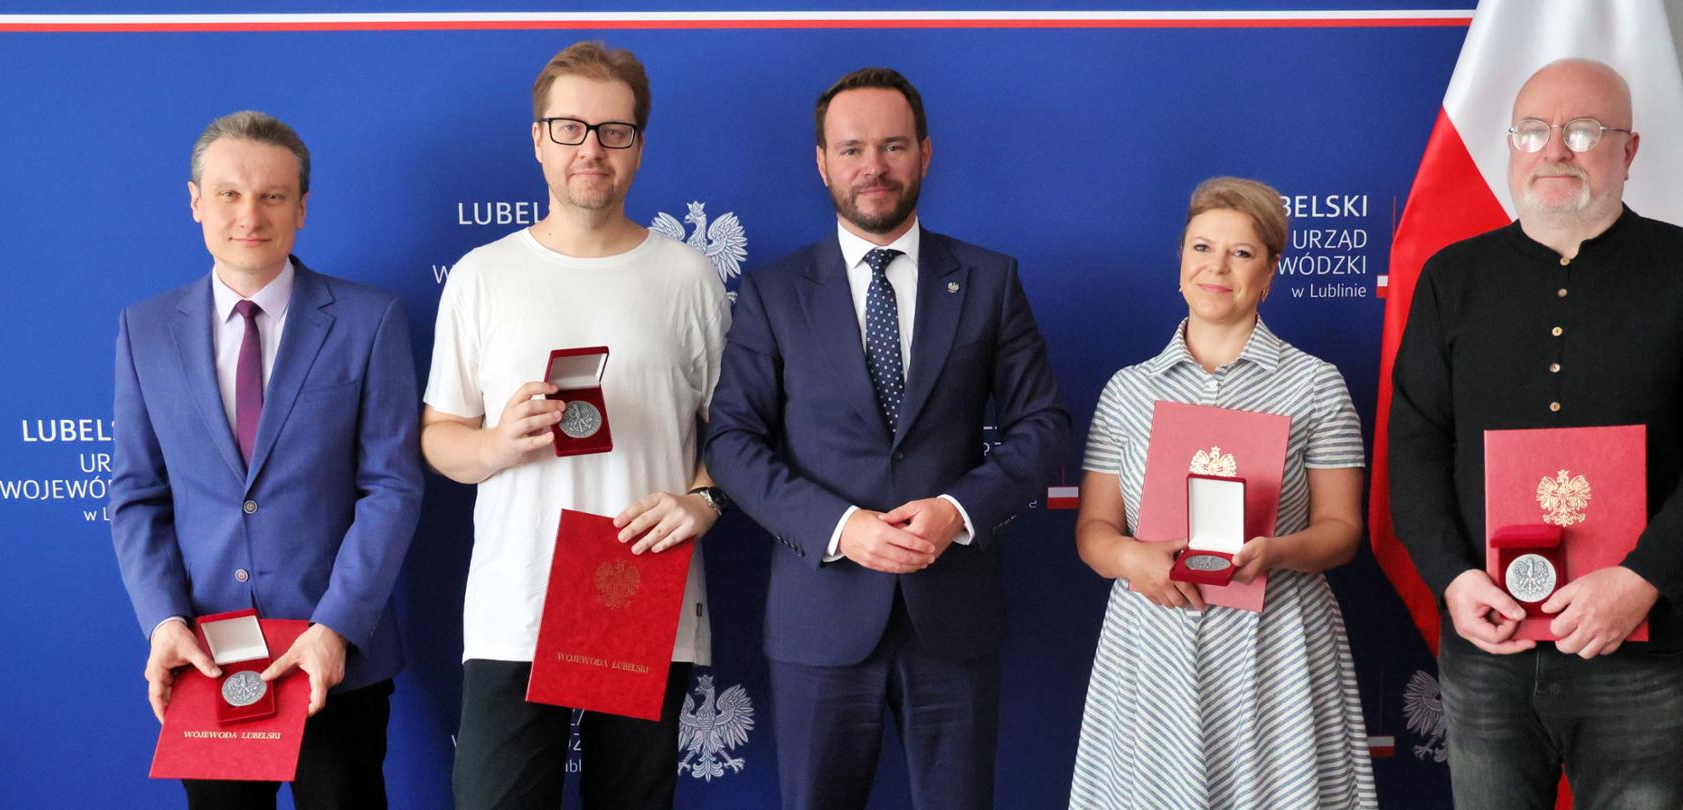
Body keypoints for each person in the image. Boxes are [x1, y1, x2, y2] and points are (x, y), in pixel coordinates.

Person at [1388, 58, 1683, 809]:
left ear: (1628, 151)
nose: (1554, 148)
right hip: (1488, 644)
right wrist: (1456, 581)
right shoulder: (1450, 278)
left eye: (1584, 129)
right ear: (1512, 145)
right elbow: (1415, 445)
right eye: (1534, 130)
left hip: (1643, 647)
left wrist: (1640, 580)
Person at [703, 66, 1070, 810]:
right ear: (822, 162)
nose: (874, 167)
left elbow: (1044, 428)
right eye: (852, 149)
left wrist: (957, 513)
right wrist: (842, 528)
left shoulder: (991, 281)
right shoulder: (774, 294)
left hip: (954, 620)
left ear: (925, 155)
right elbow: (733, 442)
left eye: (893, 146)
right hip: (820, 620)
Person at [420, 41, 730, 809]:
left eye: (613, 131)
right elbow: (439, 436)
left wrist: (703, 502)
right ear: (538, 139)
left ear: (638, 147)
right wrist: (494, 443)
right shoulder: (480, 276)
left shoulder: (689, 278)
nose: (591, 148)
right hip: (515, 606)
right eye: (569, 128)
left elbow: (737, 437)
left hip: (643, 594)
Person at [110, 110, 425, 809]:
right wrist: (164, 623)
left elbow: (392, 487)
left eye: (273, 195)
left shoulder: (370, 321)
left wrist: (335, 626)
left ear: (302, 207)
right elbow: (136, 495)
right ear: (195, 201)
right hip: (207, 661)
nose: (249, 214)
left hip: (336, 659)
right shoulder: (145, 331)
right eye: (228, 193)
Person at [1068, 177, 1377, 809]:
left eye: (1241, 253)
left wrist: (1278, 552)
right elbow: (1095, 531)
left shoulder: (1316, 386)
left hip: (1277, 646)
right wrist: (1132, 559)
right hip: (1153, 643)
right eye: (1202, 247)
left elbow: (1343, 530)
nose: (1217, 266)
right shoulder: (1127, 391)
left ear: (1269, 273)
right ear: (1180, 262)